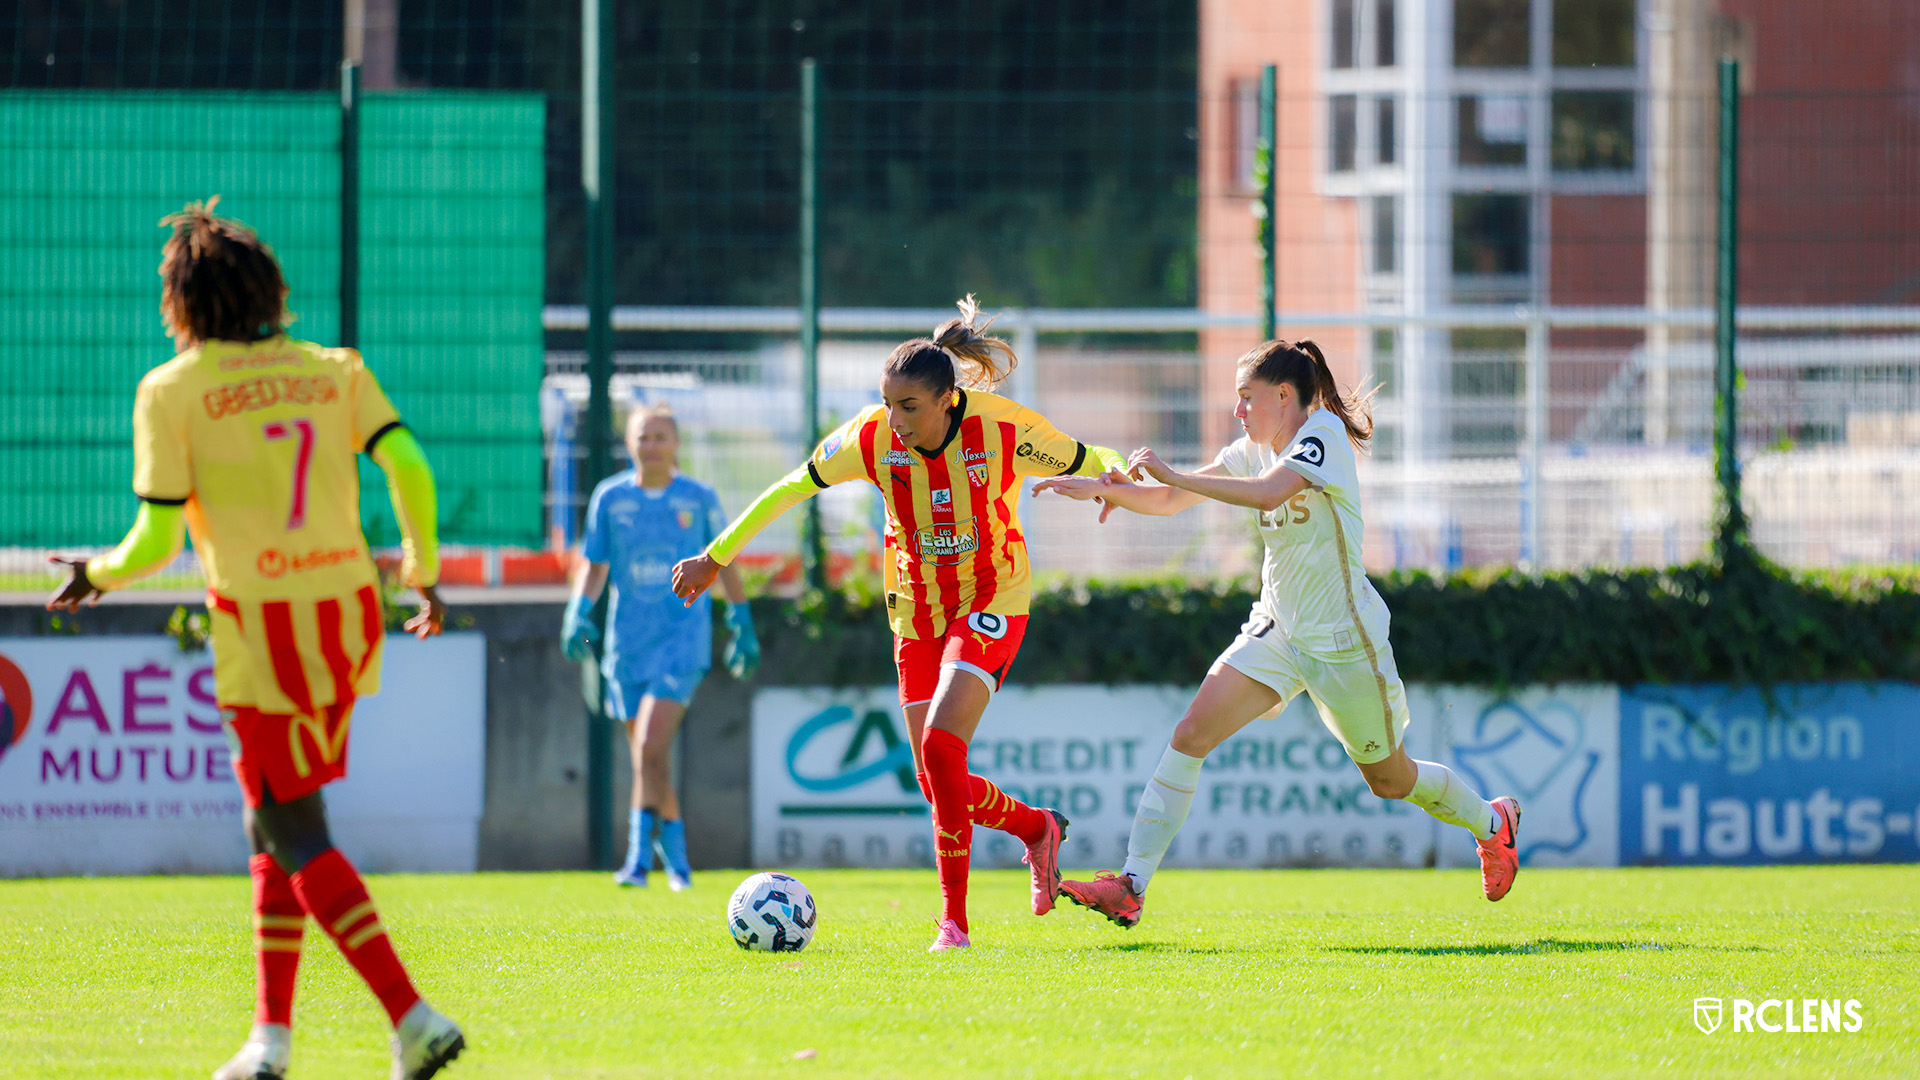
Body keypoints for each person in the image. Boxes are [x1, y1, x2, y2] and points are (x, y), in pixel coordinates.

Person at [45, 198, 464, 1080]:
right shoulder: (333, 368)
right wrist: (420, 571)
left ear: (183, 304)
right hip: (348, 611)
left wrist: (96, 572)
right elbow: (411, 465)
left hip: (263, 623)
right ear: (268, 289)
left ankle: (413, 1018)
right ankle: (270, 1041)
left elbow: (156, 539)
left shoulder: (172, 389)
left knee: (292, 822)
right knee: (268, 819)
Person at [672, 296, 1127, 952]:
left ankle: (955, 924)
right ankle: (1036, 829)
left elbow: (1090, 456)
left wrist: (1120, 482)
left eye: (909, 406)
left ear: (947, 399)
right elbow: (787, 488)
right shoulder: (868, 438)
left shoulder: (1003, 429)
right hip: (915, 614)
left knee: (942, 746)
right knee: (933, 775)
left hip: (993, 598)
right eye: (888, 404)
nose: (896, 420)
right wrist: (715, 557)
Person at [1033, 338, 1520, 929]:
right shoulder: (1251, 451)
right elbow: (1167, 499)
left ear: (1284, 395)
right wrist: (1105, 490)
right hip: (1279, 630)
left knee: (1391, 779)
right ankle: (1131, 884)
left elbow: (1266, 494)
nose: (1238, 411)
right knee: (1190, 734)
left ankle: (1493, 824)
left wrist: (1174, 471)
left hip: (1344, 640)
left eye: (1247, 398)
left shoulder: (1323, 437)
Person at [562, 403, 759, 889]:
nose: (650, 445)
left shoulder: (697, 498)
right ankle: (677, 863)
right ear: (629, 443)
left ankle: (636, 860)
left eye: (659, 437)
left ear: (676, 444)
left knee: (650, 745)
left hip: (680, 641)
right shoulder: (610, 498)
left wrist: (740, 616)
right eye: (642, 436)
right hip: (627, 644)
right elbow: (595, 564)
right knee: (647, 758)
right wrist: (576, 611)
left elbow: (724, 558)